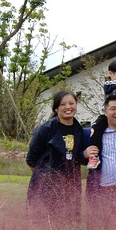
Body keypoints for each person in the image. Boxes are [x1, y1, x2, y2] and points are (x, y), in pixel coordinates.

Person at [26, 91, 89, 221]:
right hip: (46, 188)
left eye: (71, 103)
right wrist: (45, 177)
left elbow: (76, 158)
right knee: (45, 222)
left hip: (71, 186)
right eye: (63, 104)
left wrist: (85, 154)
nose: (68, 107)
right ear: (56, 108)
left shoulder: (79, 130)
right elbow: (31, 159)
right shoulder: (45, 129)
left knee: (70, 221)